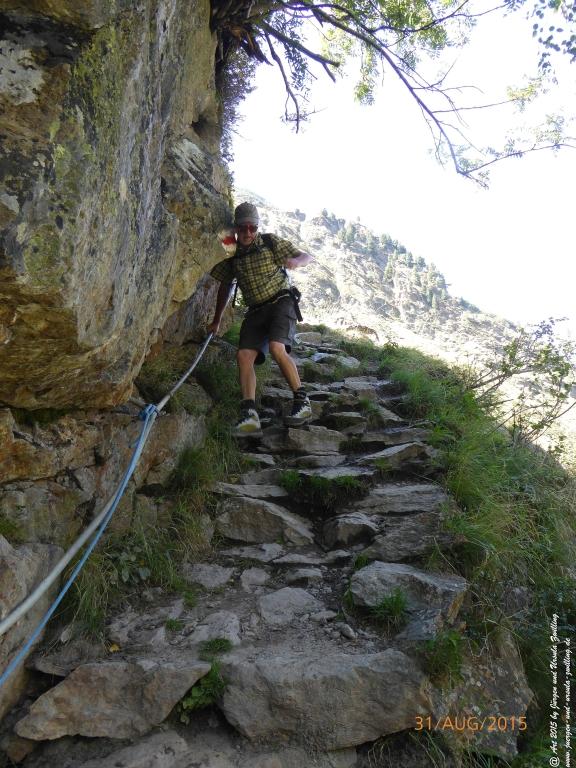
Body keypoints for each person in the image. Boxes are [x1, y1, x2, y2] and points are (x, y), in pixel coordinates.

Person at [208, 202, 313, 436]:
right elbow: (225, 286)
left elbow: (306, 256)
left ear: (257, 227)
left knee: (277, 348)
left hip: (281, 301)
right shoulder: (231, 252)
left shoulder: (269, 242)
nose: (248, 233)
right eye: (243, 228)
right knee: (244, 355)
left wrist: (297, 262)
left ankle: (302, 402)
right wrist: (216, 321)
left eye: (252, 228)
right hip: (256, 309)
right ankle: (250, 415)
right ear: (236, 228)